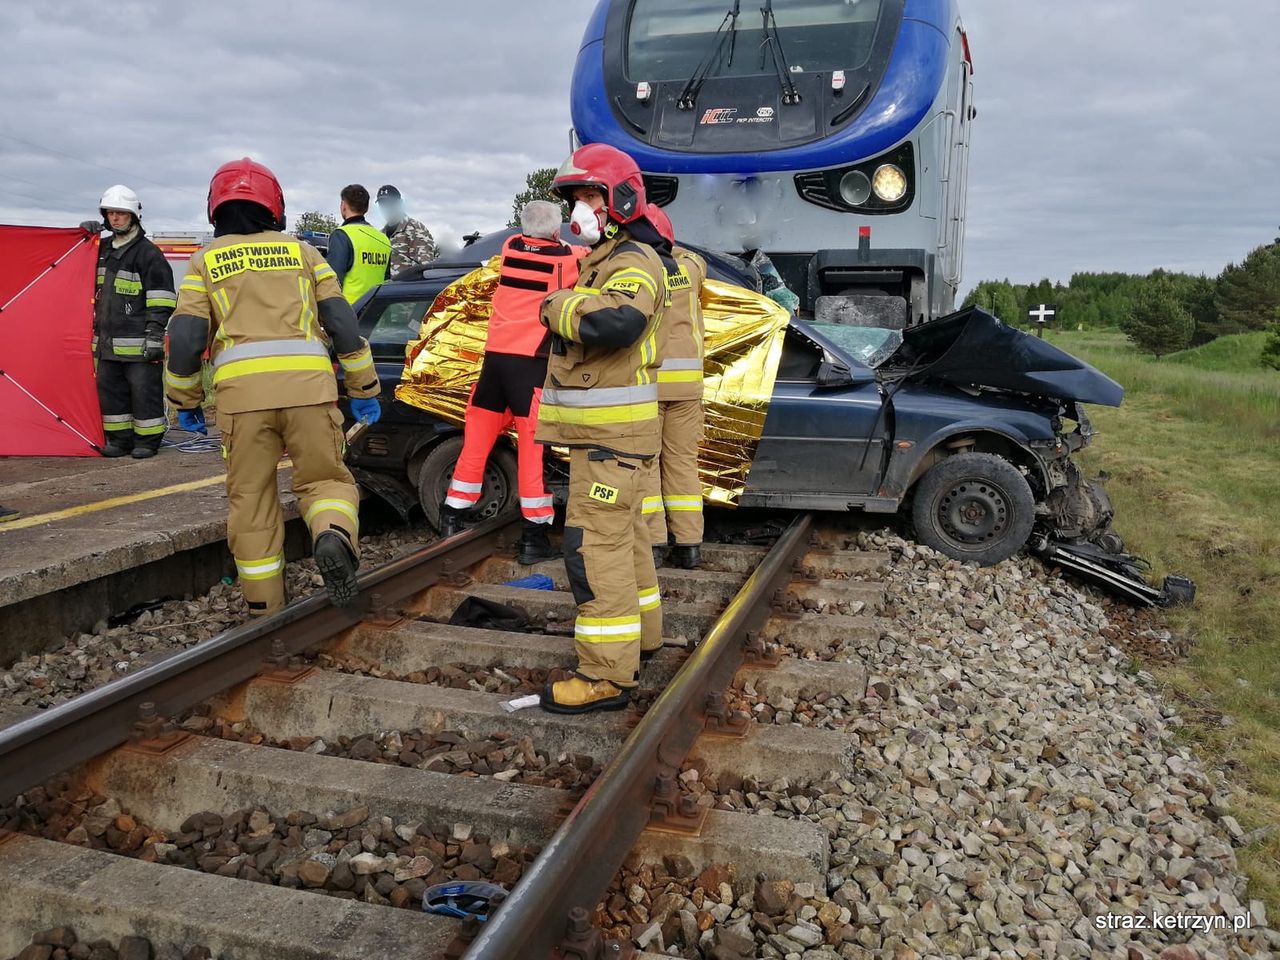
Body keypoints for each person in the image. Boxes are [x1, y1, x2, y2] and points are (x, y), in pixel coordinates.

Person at [165, 157, 383, 615]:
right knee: (325, 481)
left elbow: (185, 337)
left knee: (251, 498)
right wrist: (364, 388)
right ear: (274, 206)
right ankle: (332, 535)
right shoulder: (303, 252)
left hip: (243, 402)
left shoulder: (204, 262)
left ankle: (265, 606)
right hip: (309, 391)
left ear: (216, 208)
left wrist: (185, 399)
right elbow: (342, 324)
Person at [535, 143, 670, 715]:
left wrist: (557, 306)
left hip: (614, 445)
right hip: (615, 442)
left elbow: (620, 322)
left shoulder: (632, 262)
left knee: (595, 550)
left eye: (589, 195)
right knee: (629, 544)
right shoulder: (609, 260)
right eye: (576, 198)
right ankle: (644, 640)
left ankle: (607, 675)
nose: (580, 208)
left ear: (619, 198)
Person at [440, 200, 582, 564]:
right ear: (556, 230)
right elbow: (588, 258)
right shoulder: (566, 261)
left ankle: (451, 518)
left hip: (494, 366)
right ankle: (534, 538)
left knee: (475, 445)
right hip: (529, 369)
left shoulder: (509, 248)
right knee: (532, 455)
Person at [80, 186, 176, 458]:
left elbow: (162, 298)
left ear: (133, 216)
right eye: (111, 213)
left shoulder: (148, 254)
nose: (115, 218)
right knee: (111, 395)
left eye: (121, 213)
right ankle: (119, 440)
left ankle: (147, 441)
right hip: (107, 345)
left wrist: (155, 335)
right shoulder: (100, 250)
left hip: (139, 345)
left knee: (144, 394)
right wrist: (84, 238)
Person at [642, 205, 707, 570]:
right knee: (682, 463)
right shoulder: (691, 269)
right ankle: (689, 544)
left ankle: (653, 543)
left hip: (650, 382)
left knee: (647, 462)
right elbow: (696, 259)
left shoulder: (638, 270)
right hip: (687, 386)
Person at [326, 184, 391, 304]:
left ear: (344, 205)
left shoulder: (342, 235)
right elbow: (387, 280)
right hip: (376, 311)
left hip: (349, 311)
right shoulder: (383, 239)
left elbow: (332, 282)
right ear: (366, 208)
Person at [375, 184, 437, 277]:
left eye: (390, 203)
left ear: (399, 203)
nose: (387, 208)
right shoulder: (380, 235)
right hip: (384, 289)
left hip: (406, 289)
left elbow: (425, 268)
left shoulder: (415, 229)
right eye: (382, 204)